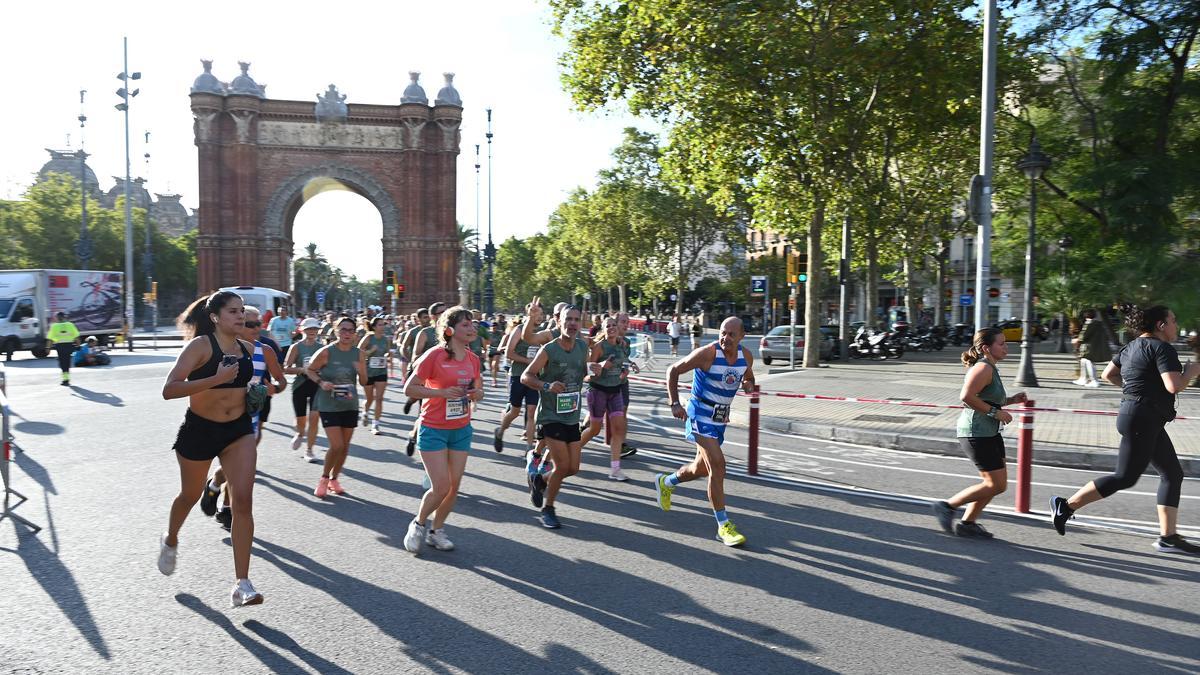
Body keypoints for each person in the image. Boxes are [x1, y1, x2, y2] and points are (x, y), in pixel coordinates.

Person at [1050, 305, 1200, 554]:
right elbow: (1174, 386)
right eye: (1173, 321)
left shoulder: (1130, 347)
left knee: (1173, 474)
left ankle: (1168, 536)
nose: (1175, 325)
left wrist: (1134, 392)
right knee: (1125, 477)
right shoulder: (1162, 348)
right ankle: (1066, 505)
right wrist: (1190, 372)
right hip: (1143, 419)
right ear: (1160, 325)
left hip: (1140, 417)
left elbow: (1110, 374)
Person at [160, 291, 264, 607]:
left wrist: (255, 394)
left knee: (243, 501)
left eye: (242, 311)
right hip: (200, 430)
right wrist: (215, 379)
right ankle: (171, 539)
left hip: (238, 431)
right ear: (216, 317)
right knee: (189, 496)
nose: (240, 316)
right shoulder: (200, 347)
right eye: (233, 311)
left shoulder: (248, 348)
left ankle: (241, 584)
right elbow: (169, 389)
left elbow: (247, 386)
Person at [658, 317, 756, 547]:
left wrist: (748, 385)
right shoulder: (708, 354)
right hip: (699, 415)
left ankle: (666, 482)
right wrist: (674, 403)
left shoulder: (746, 357)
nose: (726, 338)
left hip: (720, 419)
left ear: (741, 336)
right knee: (719, 465)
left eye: (732, 334)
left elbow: (749, 378)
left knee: (700, 469)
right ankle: (723, 525)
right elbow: (672, 370)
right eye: (723, 333)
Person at [401, 306, 484, 554]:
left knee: (453, 487)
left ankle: (437, 531)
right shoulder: (434, 356)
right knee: (440, 486)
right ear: (450, 330)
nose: (471, 328)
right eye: (465, 325)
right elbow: (410, 389)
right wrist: (441, 393)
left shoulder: (473, 359)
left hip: (461, 428)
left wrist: (477, 393)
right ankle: (418, 523)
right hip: (433, 427)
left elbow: (477, 390)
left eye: (472, 324)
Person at [931, 328, 1027, 538]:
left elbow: (988, 398)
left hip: (989, 432)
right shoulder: (983, 368)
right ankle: (947, 506)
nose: (1006, 347)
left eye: (1005, 343)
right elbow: (966, 397)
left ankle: (968, 523)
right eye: (1001, 343)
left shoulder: (991, 367)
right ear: (986, 348)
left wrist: (1012, 400)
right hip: (976, 433)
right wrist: (996, 413)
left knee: (994, 485)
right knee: (995, 484)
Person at [520, 301, 588, 529]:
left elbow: (582, 374)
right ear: (558, 322)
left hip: (572, 414)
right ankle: (548, 509)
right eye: (568, 319)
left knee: (573, 468)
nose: (572, 324)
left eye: (576, 320)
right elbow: (526, 377)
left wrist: (594, 372)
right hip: (550, 415)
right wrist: (547, 385)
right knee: (561, 465)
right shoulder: (548, 349)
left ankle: (540, 479)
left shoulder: (582, 347)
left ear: (581, 323)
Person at [304, 316, 368, 498]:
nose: (347, 333)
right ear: (336, 331)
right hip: (328, 403)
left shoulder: (359, 354)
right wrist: (321, 382)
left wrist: (362, 370)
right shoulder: (326, 352)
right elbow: (310, 370)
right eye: (343, 329)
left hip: (350, 404)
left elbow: (364, 381)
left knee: (345, 446)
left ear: (355, 334)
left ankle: (334, 479)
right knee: (336, 445)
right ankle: (324, 479)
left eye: (350, 330)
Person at [579, 316, 631, 481]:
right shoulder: (599, 347)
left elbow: (622, 366)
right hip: (598, 391)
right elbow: (588, 374)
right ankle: (574, 450)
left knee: (618, 429)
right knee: (595, 430)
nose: (611, 328)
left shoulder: (622, 345)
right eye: (607, 326)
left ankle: (615, 469)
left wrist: (624, 373)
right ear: (603, 329)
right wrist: (601, 366)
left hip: (615, 391)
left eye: (613, 325)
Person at [494, 305, 540, 454]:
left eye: (542, 314)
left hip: (534, 377)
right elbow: (509, 353)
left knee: (532, 413)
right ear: (530, 314)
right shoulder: (519, 330)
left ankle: (529, 450)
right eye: (537, 314)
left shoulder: (543, 332)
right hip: (518, 375)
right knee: (514, 411)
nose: (540, 317)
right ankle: (500, 431)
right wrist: (527, 361)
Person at [285, 318, 323, 461]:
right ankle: (300, 433)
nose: (312, 331)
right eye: (309, 329)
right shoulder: (296, 347)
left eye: (314, 329)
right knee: (301, 420)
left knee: (314, 418)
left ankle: (309, 450)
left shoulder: (322, 347)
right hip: (300, 385)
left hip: (317, 385)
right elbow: (286, 368)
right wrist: (303, 370)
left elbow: (327, 366)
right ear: (302, 330)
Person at [359, 316, 391, 435]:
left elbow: (387, 352)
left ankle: (376, 424)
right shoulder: (368, 338)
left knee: (379, 398)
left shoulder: (386, 339)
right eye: (380, 325)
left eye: (384, 325)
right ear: (374, 327)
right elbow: (359, 352)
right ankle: (365, 411)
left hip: (381, 371)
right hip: (368, 371)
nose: (383, 327)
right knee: (369, 398)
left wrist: (387, 355)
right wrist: (370, 351)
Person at [1073, 309, 1112, 388]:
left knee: (1088, 362)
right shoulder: (1099, 324)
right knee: (1084, 361)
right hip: (1096, 346)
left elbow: (1083, 336)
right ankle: (1083, 378)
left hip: (1088, 347)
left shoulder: (1089, 323)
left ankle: (1094, 380)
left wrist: (1077, 339)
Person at [47, 311, 80, 386]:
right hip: (69, 345)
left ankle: (65, 379)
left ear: (57, 318)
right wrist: (78, 345)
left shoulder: (54, 326)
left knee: (62, 363)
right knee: (67, 361)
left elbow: (50, 339)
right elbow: (76, 337)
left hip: (60, 346)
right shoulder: (70, 325)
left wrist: (48, 348)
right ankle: (66, 378)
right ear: (64, 317)